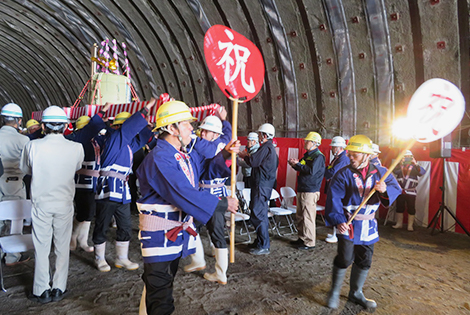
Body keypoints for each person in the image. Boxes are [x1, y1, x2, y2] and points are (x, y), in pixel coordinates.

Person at [135, 100, 239, 314]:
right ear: (171, 128)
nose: (192, 128)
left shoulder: (181, 155)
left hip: (172, 236)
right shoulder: (159, 158)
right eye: (186, 124)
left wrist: (226, 154)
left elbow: (205, 169)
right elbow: (182, 192)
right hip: (159, 236)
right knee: (161, 298)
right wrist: (222, 203)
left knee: (158, 287)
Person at [325, 135, 401, 309]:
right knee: (344, 258)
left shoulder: (381, 172)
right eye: (350, 153)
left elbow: (395, 189)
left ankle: (356, 293)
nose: (351, 157)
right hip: (348, 223)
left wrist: (384, 190)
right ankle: (334, 292)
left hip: (368, 225)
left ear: (367, 155)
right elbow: (334, 198)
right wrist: (338, 220)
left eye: (356, 154)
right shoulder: (342, 173)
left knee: (365, 260)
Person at [20, 106, 84, 303]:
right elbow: (77, 167)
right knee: (62, 246)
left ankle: (41, 290)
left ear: (43, 126)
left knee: (41, 247)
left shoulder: (32, 146)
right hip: (64, 203)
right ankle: (59, 287)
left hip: (41, 204)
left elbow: (25, 169)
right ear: (65, 126)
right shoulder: (76, 148)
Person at [93, 100, 156, 272]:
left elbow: (142, 139)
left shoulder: (127, 144)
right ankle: (99, 258)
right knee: (102, 224)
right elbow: (130, 129)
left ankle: (122, 258)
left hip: (122, 190)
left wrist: (150, 125)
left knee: (125, 225)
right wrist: (144, 110)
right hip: (108, 188)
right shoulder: (114, 138)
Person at [67, 110, 109, 253]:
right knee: (83, 212)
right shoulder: (77, 139)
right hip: (81, 182)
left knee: (89, 213)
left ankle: (82, 240)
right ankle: (73, 236)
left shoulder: (97, 140)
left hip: (94, 182)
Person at [238, 123, 279, 255]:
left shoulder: (266, 148)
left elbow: (253, 162)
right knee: (259, 213)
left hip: (261, 185)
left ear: (265, 135)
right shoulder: (270, 148)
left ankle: (264, 245)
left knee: (258, 213)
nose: (259, 136)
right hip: (263, 185)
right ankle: (260, 241)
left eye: (260, 134)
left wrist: (242, 154)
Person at [0, 103, 31, 266]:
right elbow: (28, 164)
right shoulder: (23, 139)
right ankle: (12, 256)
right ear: (18, 120)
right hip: (14, 183)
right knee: (14, 219)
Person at [288, 132, 325, 250]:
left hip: (310, 190)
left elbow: (311, 171)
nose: (305, 143)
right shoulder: (307, 155)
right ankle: (302, 238)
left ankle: (309, 242)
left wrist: (298, 164)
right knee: (300, 215)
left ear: (314, 143)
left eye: (307, 141)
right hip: (303, 188)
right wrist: (294, 165)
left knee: (308, 217)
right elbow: (302, 167)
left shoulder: (318, 156)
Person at [323, 136, 349, 243]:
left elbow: (333, 172)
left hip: (339, 188)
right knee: (333, 209)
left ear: (339, 147)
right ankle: (334, 232)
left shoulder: (343, 158)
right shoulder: (338, 158)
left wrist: (325, 172)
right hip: (334, 187)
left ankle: (338, 234)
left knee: (337, 209)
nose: (332, 149)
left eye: (334, 147)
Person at [392, 150, 426, 231]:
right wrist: (399, 163)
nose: (406, 159)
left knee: (411, 208)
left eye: (408, 157)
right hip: (400, 191)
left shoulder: (415, 167)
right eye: (405, 157)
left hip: (411, 192)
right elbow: (394, 171)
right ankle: (399, 224)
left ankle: (410, 226)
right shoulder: (400, 167)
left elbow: (422, 172)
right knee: (399, 207)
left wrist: (416, 163)